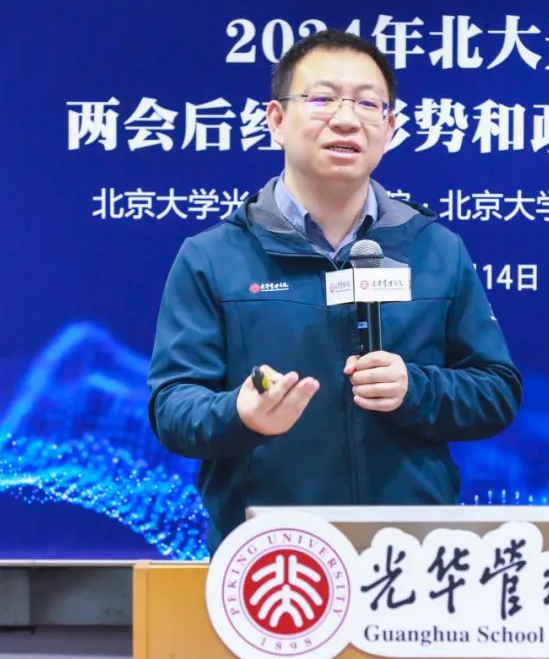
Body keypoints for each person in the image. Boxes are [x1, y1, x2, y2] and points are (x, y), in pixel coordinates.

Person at [147, 30, 522, 552]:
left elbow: (496, 390)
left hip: (410, 555)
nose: (346, 120)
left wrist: (415, 389)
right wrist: (240, 414)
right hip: (272, 559)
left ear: (390, 129)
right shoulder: (213, 256)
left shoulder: (435, 248)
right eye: (322, 99)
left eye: (368, 104)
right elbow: (172, 406)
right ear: (276, 120)